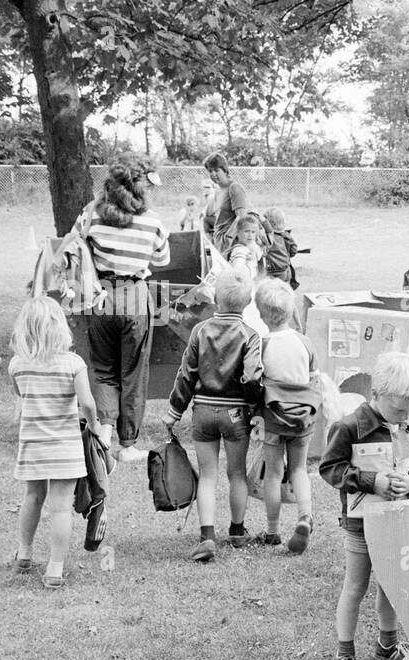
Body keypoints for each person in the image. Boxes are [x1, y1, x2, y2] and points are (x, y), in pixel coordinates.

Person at [319, 352, 409, 660]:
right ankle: (345, 655)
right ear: (376, 395)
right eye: (398, 410)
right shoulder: (349, 427)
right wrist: (372, 481)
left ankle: (388, 643)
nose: (405, 417)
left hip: (396, 519)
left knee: (391, 585)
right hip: (360, 523)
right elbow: (330, 468)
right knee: (356, 585)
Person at [72, 157, 170, 464]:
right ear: (142, 188)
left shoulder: (91, 213)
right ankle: (127, 445)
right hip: (134, 298)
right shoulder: (153, 221)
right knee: (133, 373)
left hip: (99, 297)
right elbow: (162, 259)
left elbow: (75, 244)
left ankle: (103, 431)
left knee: (102, 368)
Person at [164, 270, 264, 562]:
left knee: (207, 475)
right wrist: (255, 407)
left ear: (215, 298)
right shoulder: (251, 335)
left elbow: (186, 374)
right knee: (236, 474)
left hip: (203, 410)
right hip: (236, 413)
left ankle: (207, 535)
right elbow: (254, 376)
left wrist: (174, 411)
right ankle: (236, 530)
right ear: (248, 303)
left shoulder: (200, 331)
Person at [9, 297, 98, 590]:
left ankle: (24, 554)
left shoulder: (17, 365)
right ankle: (55, 569)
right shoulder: (73, 364)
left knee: (33, 496)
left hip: (33, 443)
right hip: (64, 445)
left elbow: (22, 399)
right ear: (60, 326)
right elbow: (87, 403)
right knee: (60, 507)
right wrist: (93, 424)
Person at [254, 277, 316, 553]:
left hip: (272, 419)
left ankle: (272, 530)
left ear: (261, 314)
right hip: (303, 417)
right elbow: (313, 377)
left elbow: (254, 381)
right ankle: (305, 516)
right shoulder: (304, 342)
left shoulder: (261, 345)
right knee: (299, 469)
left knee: (273, 473)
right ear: (291, 311)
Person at [203, 152, 251, 254]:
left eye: (217, 170)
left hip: (232, 243)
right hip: (220, 241)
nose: (213, 174)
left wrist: (228, 238)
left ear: (225, 170)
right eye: (210, 171)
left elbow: (241, 217)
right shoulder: (218, 190)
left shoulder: (234, 188)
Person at [262, 207, 299, 289]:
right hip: (286, 270)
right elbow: (293, 251)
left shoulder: (267, 237)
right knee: (284, 293)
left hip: (273, 271)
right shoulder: (286, 235)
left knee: (272, 294)